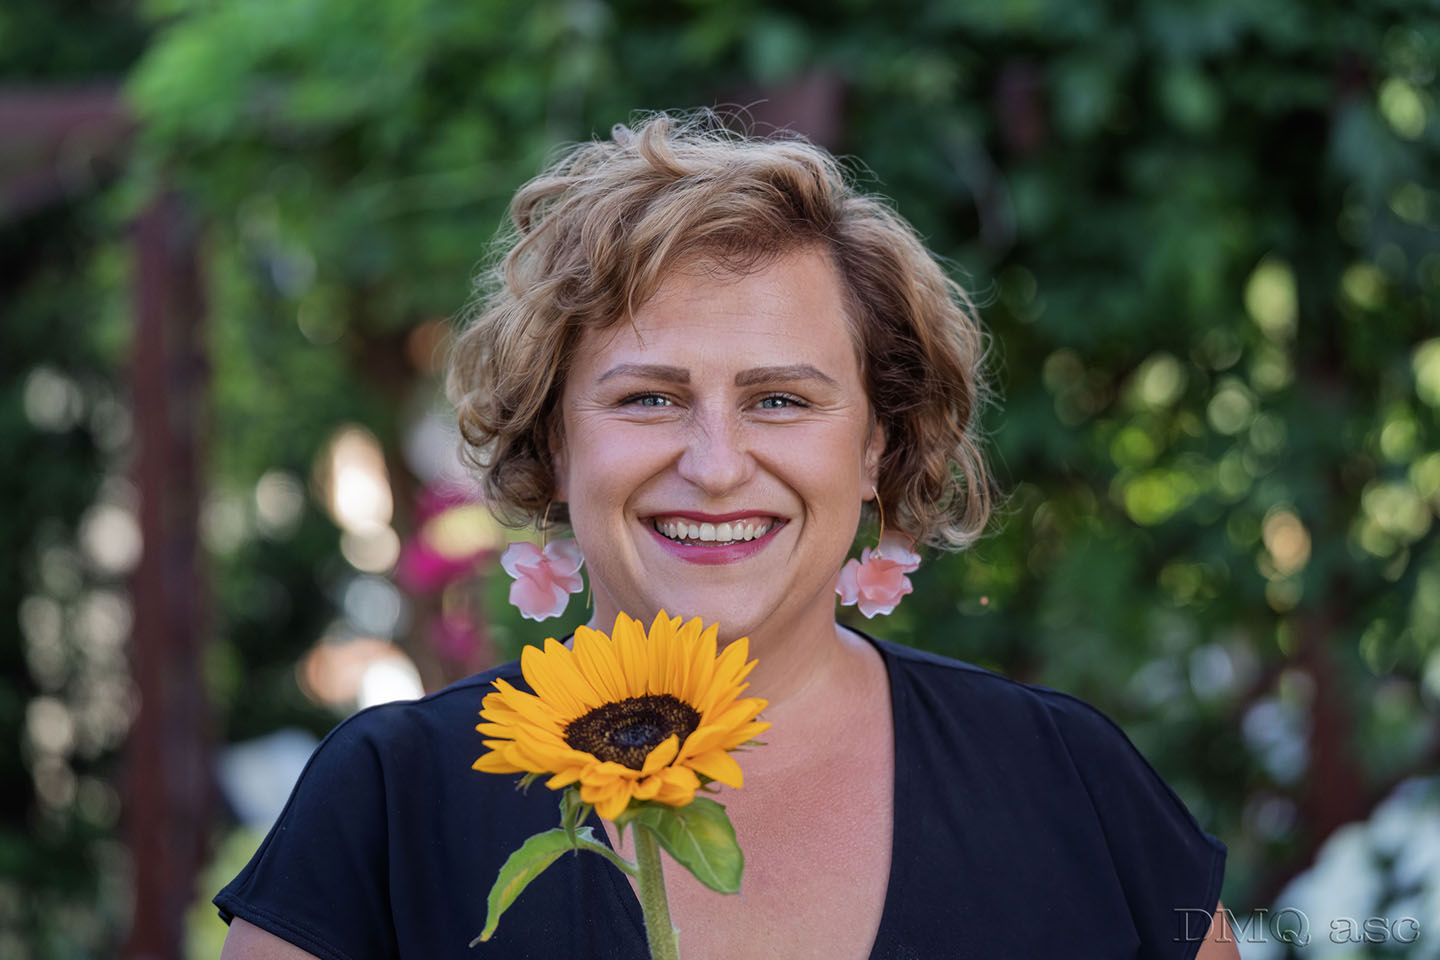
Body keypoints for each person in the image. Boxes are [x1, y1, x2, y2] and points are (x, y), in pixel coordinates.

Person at [216, 111, 1237, 959]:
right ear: (555, 445)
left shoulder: (1071, 784)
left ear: (876, 445)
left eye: (781, 400)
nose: (715, 465)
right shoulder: (389, 806)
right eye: (650, 399)